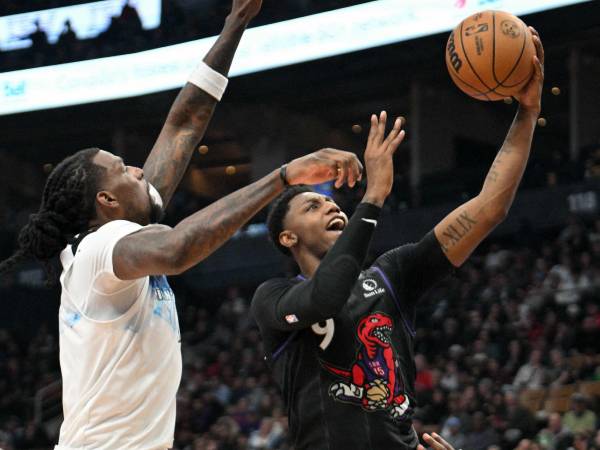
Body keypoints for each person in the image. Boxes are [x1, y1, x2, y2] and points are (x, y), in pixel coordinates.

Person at [0, 1, 363, 449]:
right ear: (106, 201)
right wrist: (283, 176)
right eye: (122, 168)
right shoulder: (98, 248)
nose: (137, 170)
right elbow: (176, 251)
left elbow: (183, 125)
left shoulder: (119, 234)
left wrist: (235, 24)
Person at [251, 28, 545, 450]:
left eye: (332, 202)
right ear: (287, 237)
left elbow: (488, 208)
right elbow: (324, 298)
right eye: (312, 206)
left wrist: (528, 112)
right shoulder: (273, 297)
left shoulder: (392, 274)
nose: (333, 207)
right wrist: (372, 197)